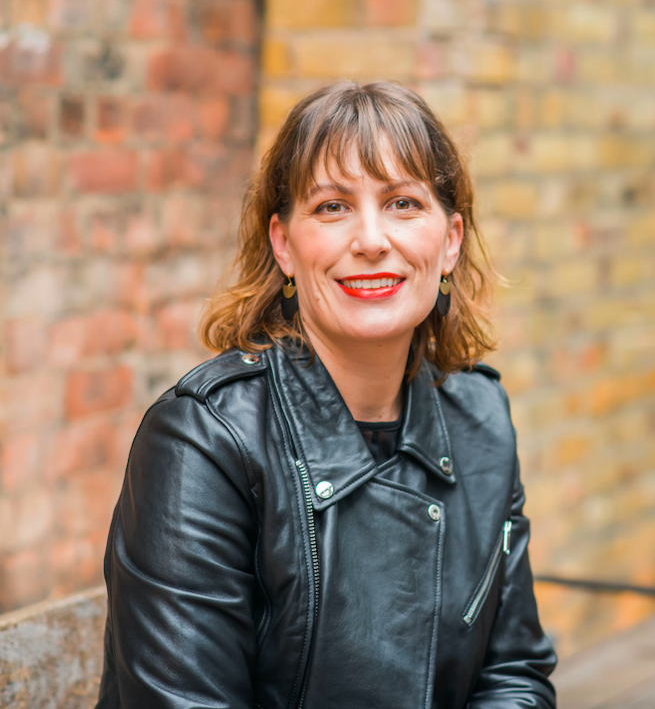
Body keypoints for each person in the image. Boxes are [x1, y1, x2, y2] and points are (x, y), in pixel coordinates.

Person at [95, 80, 557, 709]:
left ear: (449, 241)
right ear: (284, 244)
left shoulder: (481, 419)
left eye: (402, 203)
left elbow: (513, 676)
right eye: (333, 207)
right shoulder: (202, 443)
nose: (371, 240)